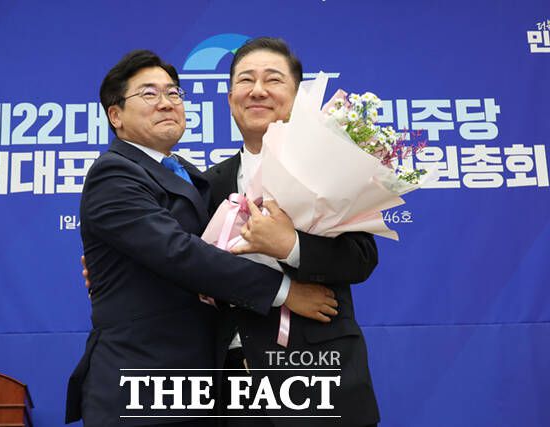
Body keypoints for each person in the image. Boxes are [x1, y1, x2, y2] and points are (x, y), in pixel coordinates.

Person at [66, 49, 338, 427]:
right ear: (116, 115)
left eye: (173, 93)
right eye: (149, 94)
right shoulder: (113, 174)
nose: (166, 103)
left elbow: (216, 245)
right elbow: (179, 253)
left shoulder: (192, 175)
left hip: (201, 385)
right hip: (141, 382)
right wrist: (284, 290)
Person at [205, 37, 380, 427]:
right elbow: (181, 262)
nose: (258, 90)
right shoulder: (206, 185)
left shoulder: (331, 167)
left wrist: (291, 245)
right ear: (230, 98)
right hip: (233, 388)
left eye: (273, 79)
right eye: (245, 80)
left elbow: (362, 258)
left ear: (298, 97)